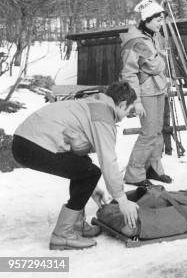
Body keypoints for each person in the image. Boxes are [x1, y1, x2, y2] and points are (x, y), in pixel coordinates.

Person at [11, 82, 140, 250]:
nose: (125, 117)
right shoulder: (103, 115)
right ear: (122, 104)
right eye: (129, 111)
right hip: (32, 144)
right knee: (90, 173)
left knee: (85, 169)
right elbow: (108, 160)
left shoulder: (93, 104)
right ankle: (62, 235)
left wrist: (90, 189)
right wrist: (122, 200)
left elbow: (77, 153)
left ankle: (76, 225)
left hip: (24, 141)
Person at [120, 0, 173, 187]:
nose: (161, 24)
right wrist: (137, 101)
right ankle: (134, 174)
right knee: (148, 133)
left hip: (158, 89)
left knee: (157, 132)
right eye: (158, 20)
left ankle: (153, 168)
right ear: (146, 20)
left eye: (162, 20)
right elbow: (129, 73)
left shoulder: (152, 36)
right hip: (146, 93)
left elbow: (157, 64)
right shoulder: (135, 42)